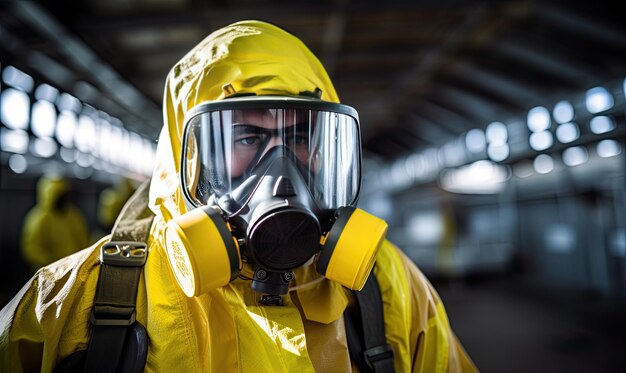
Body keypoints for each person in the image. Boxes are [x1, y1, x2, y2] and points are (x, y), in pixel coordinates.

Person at [0, 20, 477, 372]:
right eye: (247, 138)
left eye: (302, 138)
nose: (281, 168)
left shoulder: (387, 285)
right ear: (186, 158)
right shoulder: (75, 300)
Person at [19, 174, 90, 274]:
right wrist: (54, 265)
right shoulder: (39, 218)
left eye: (64, 194)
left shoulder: (73, 215)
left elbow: (83, 240)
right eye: (59, 195)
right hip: (48, 274)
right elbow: (32, 249)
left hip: (74, 270)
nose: (63, 198)